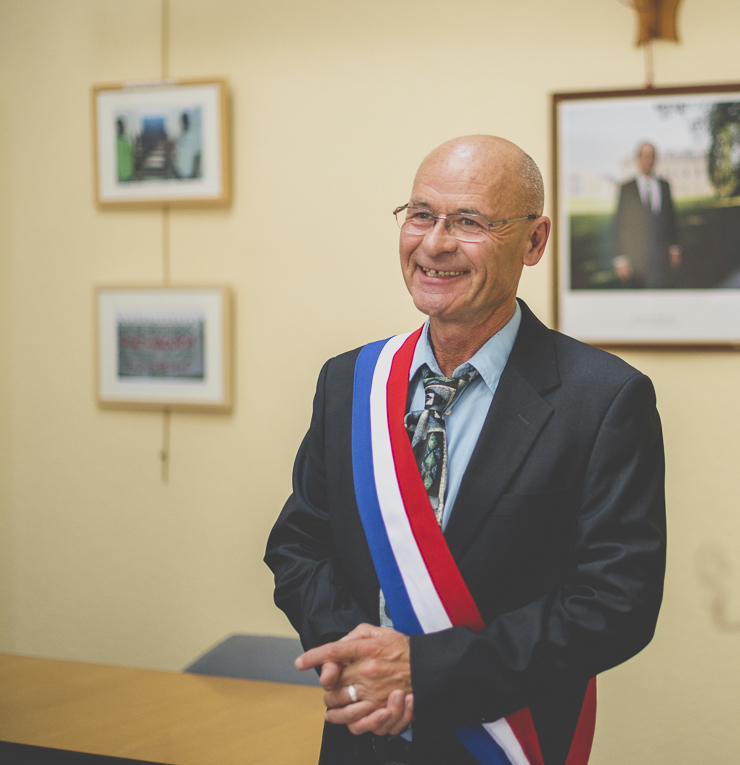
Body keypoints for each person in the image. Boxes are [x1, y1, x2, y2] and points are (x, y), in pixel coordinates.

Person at [265, 135, 667, 765]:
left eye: (470, 222)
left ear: (534, 242)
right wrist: (360, 662)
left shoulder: (604, 400)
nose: (434, 243)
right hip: (363, 738)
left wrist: (424, 673)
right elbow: (298, 544)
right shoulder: (350, 383)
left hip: (503, 742)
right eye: (421, 215)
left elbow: (616, 604)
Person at [611, 142, 681, 288]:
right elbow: (619, 224)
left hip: (661, 257)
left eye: (651, 156)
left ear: (655, 159)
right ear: (638, 159)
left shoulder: (664, 185)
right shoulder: (626, 188)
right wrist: (620, 259)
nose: (648, 160)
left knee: (661, 295)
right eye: (644, 156)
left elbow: (670, 218)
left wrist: (674, 247)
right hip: (635, 259)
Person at [172, 111, 201, 180]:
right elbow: (177, 152)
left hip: (189, 172)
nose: (184, 123)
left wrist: (194, 173)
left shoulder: (193, 135)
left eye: (185, 120)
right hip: (179, 170)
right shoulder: (180, 135)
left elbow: (197, 155)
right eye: (182, 121)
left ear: (188, 121)